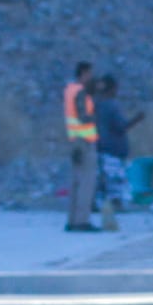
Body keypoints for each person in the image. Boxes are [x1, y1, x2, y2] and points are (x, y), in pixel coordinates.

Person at [91, 75, 142, 233]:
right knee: (115, 181)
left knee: (104, 181)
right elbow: (121, 126)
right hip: (113, 149)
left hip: (100, 147)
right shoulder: (112, 106)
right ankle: (113, 208)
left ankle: (100, 206)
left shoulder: (96, 104)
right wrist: (137, 119)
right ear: (113, 89)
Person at [61, 61, 99, 232]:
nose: (91, 77)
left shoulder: (69, 90)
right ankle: (82, 221)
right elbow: (84, 116)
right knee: (86, 183)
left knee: (76, 182)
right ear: (83, 73)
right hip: (85, 141)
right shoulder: (81, 92)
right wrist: (96, 118)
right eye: (89, 74)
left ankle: (73, 220)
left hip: (73, 139)